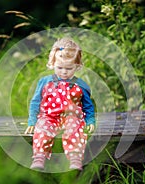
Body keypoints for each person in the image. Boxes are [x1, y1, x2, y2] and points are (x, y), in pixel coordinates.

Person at [24, 37, 95, 170]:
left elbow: (88, 105)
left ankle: (75, 158)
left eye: (69, 68)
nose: (64, 72)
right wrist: (32, 121)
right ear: (52, 64)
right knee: (42, 127)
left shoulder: (80, 85)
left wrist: (90, 120)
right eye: (60, 67)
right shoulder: (45, 82)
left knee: (75, 128)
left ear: (77, 66)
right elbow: (35, 102)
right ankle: (39, 156)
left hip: (72, 117)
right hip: (49, 117)